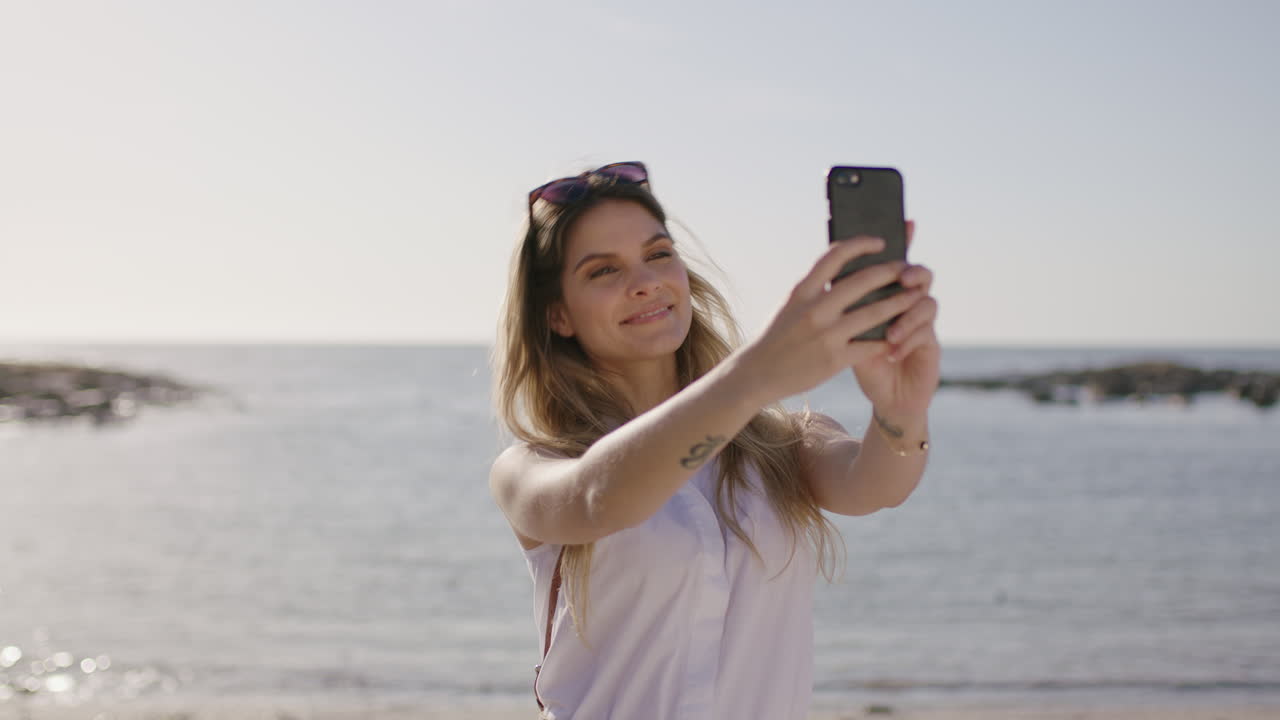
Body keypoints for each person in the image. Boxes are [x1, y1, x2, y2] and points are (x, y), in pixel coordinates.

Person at [489, 161, 940, 719]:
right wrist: (755, 376)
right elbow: (600, 497)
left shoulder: (779, 441)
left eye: (658, 254)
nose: (646, 281)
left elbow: (875, 485)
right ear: (557, 314)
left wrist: (902, 410)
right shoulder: (533, 466)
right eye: (603, 271)